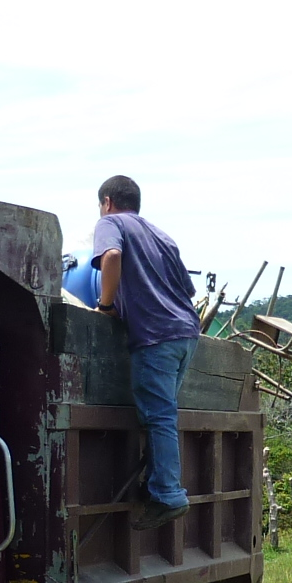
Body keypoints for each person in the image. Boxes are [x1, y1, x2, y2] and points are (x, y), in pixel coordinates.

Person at [92, 175, 198, 530]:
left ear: (107, 202)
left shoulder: (110, 223)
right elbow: (187, 289)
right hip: (187, 333)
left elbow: (111, 255)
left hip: (156, 337)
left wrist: (106, 305)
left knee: (158, 416)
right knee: (158, 414)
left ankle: (168, 495)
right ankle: (156, 486)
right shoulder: (162, 236)